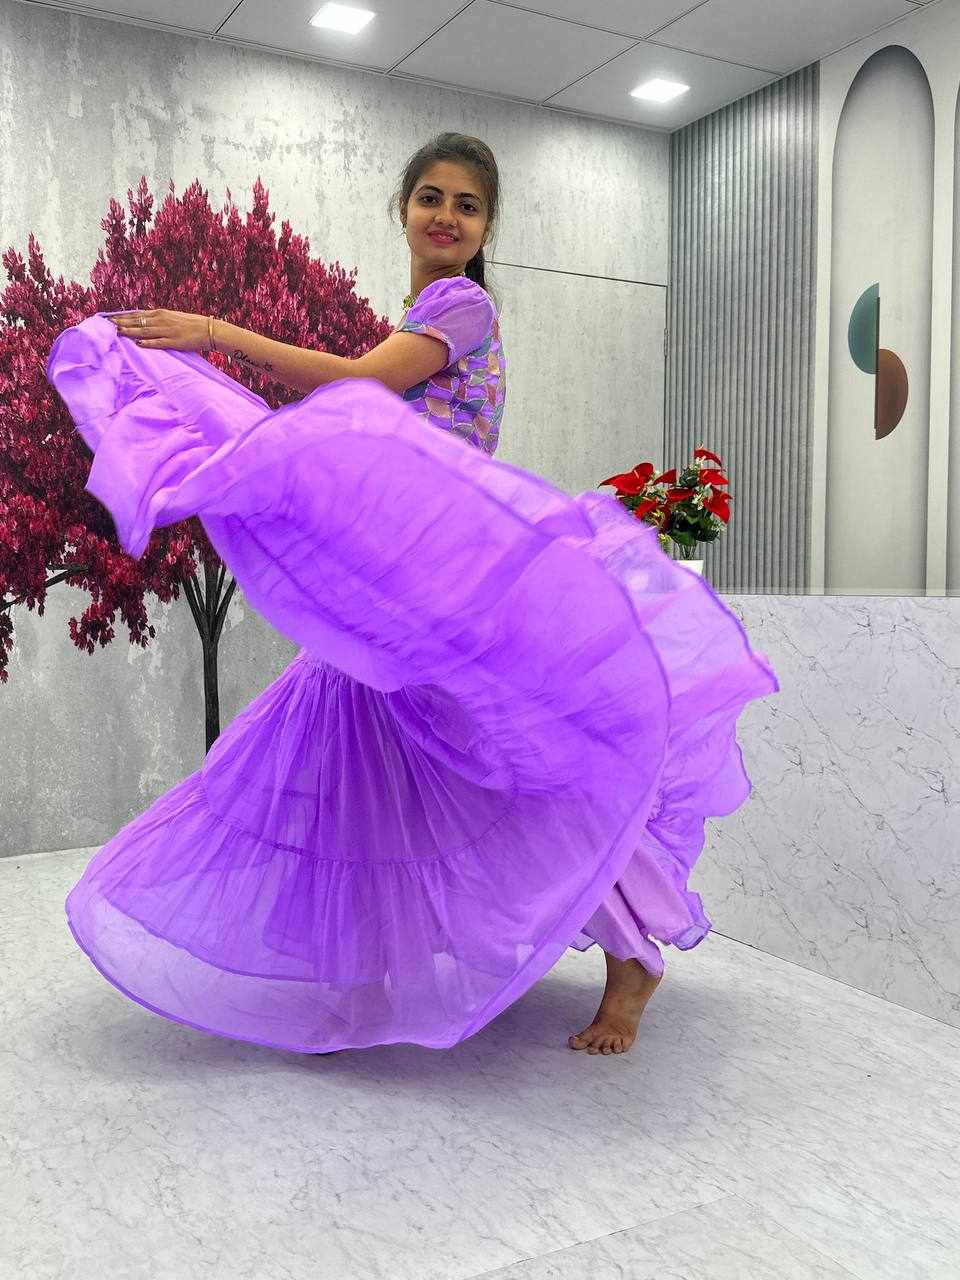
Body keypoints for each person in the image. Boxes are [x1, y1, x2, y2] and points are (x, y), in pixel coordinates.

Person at [48, 133, 779, 1058]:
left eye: (467, 205)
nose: (446, 216)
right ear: (403, 209)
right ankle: (367, 973)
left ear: (485, 229)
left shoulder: (460, 304)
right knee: (355, 764)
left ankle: (634, 954)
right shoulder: (420, 314)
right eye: (431, 197)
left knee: (535, 768)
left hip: (453, 592)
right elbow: (354, 429)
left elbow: (360, 388)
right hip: (399, 590)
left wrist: (215, 336)